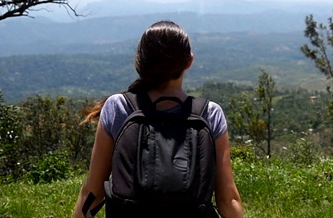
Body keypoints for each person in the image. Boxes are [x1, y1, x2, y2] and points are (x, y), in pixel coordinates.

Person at [73, 21, 243, 218]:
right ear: (189, 61)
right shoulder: (209, 114)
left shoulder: (118, 107)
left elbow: (93, 193)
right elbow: (227, 199)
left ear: (139, 62)